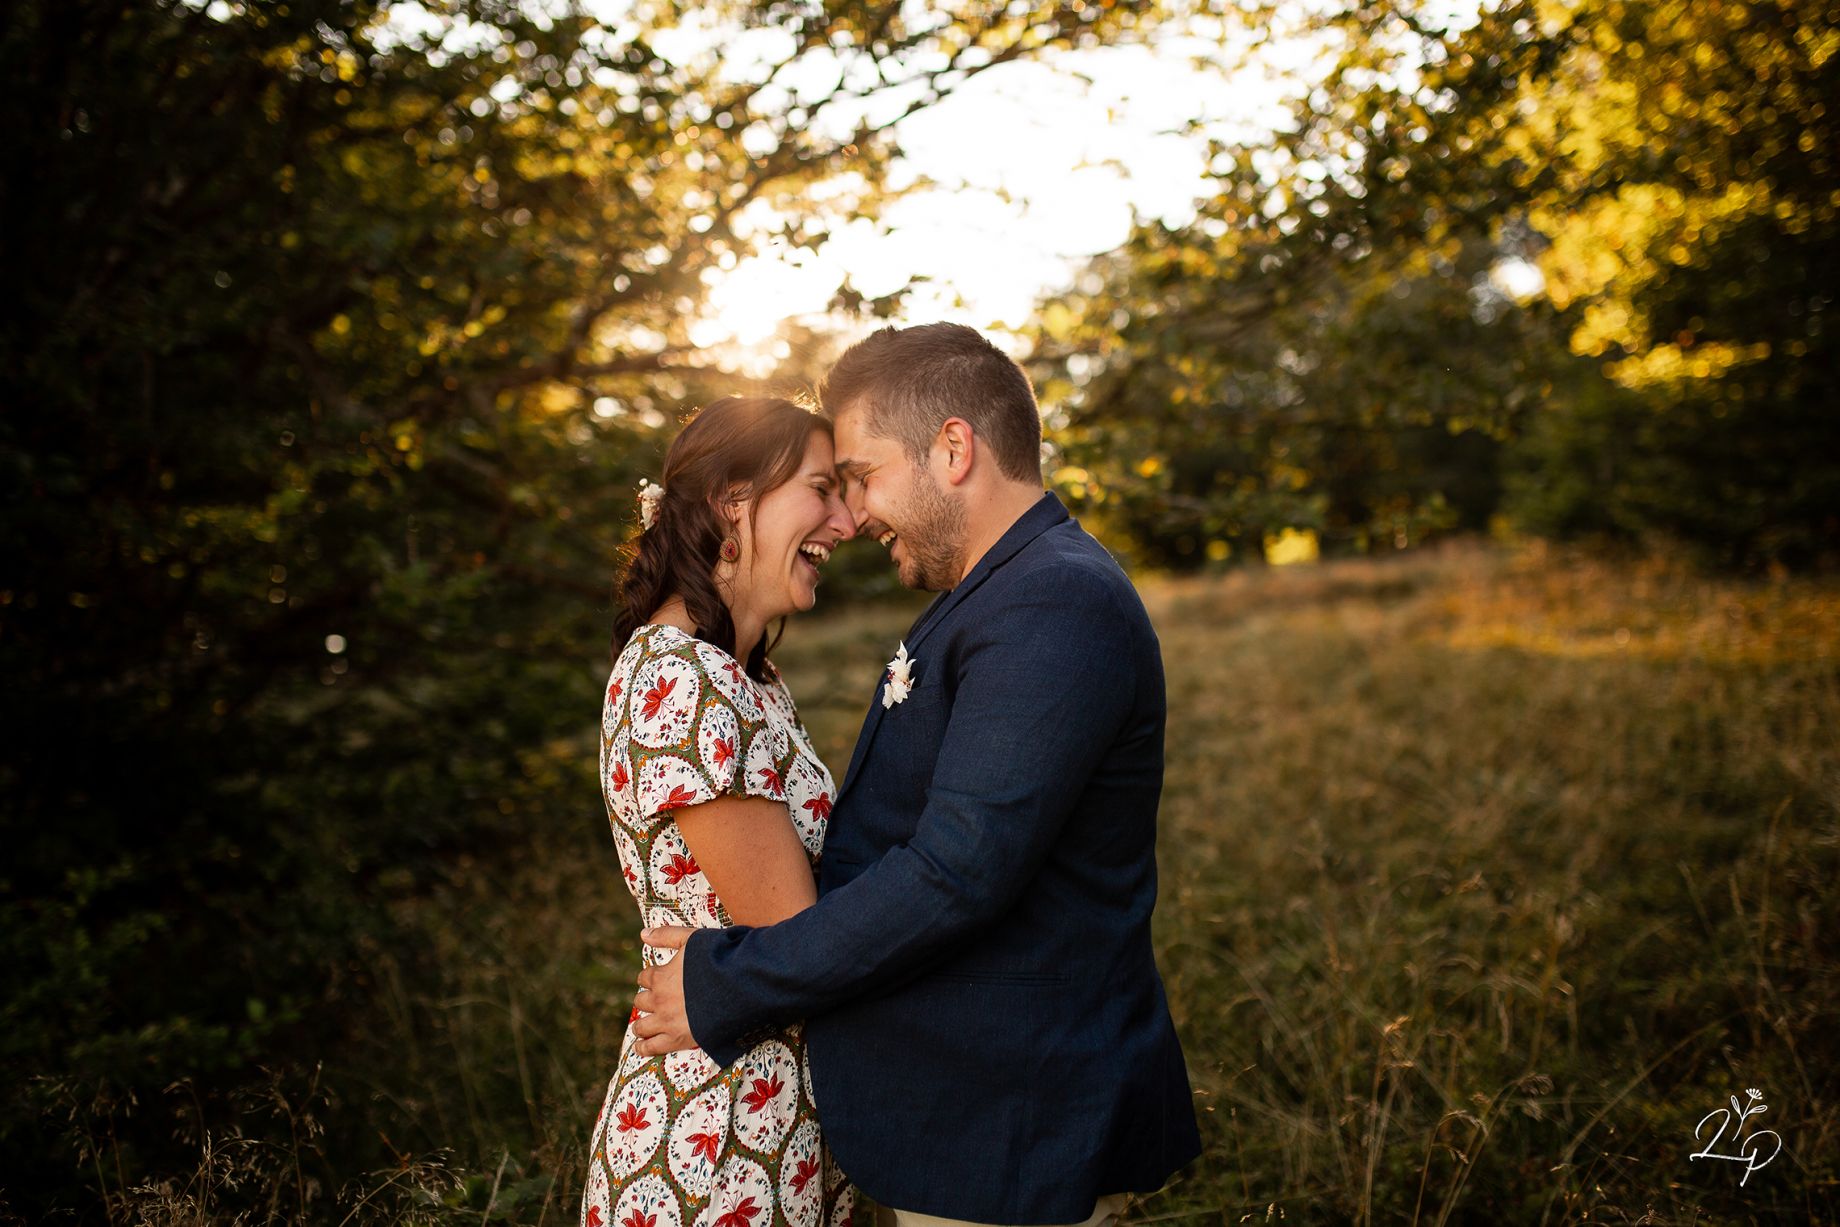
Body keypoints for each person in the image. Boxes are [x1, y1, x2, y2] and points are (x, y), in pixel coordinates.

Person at [631, 324, 1203, 1227]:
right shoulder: (995, 593)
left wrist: (728, 979)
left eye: (860, 475)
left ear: (953, 447)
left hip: (1016, 1122)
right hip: (967, 1115)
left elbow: (956, 870)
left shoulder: (1053, 597)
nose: (853, 517)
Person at [581, 396, 859, 1227]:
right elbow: (798, 938)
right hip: (718, 1136)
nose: (846, 521)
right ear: (733, 501)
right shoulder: (681, 679)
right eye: (821, 488)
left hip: (779, 1110)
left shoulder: (745, 678)